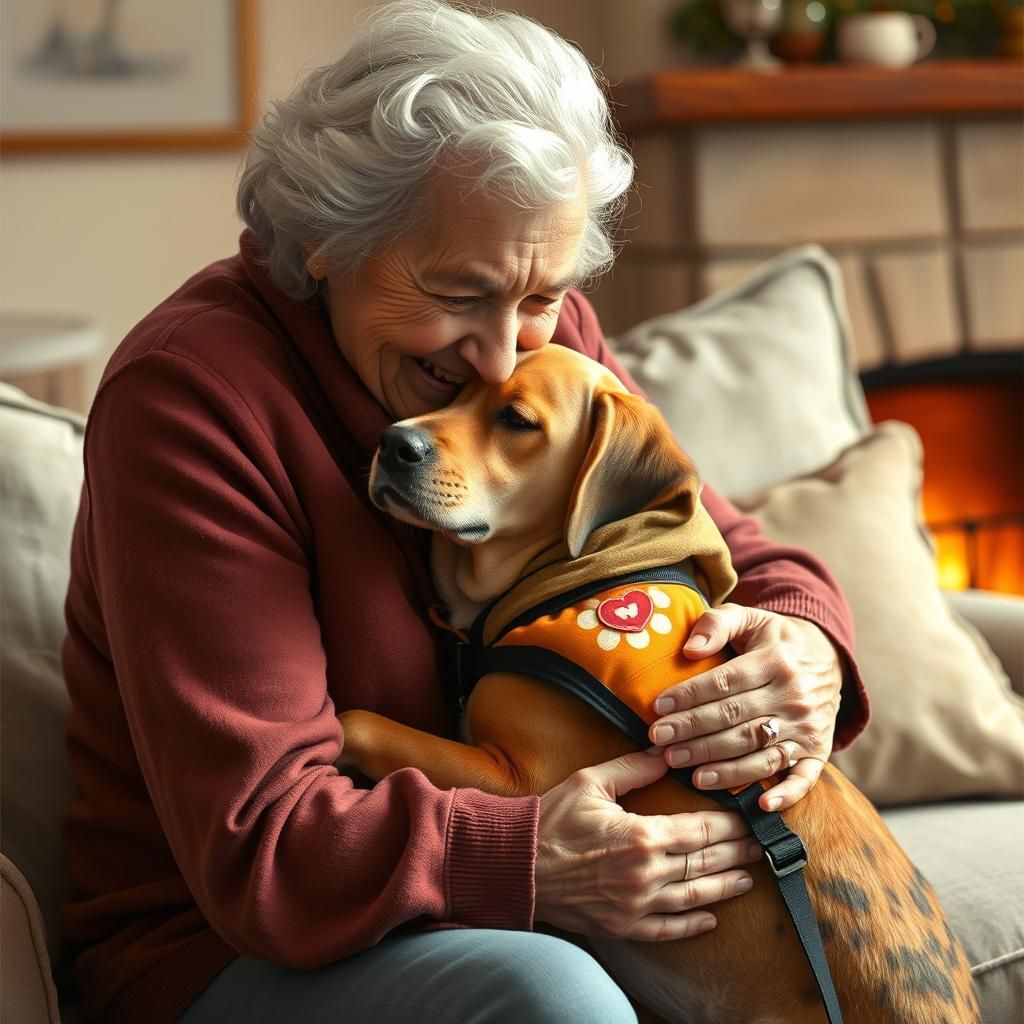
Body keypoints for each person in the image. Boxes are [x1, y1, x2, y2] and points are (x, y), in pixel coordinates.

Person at [60, 2, 868, 1022]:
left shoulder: (537, 330)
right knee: (546, 993)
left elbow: (715, 541)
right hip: (223, 947)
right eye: (457, 292)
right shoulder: (190, 399)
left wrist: (803, 647)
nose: (499, 355)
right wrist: (529, 858)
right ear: (321, 240)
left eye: (540, 297)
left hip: (495, 871)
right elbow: (261, 840)